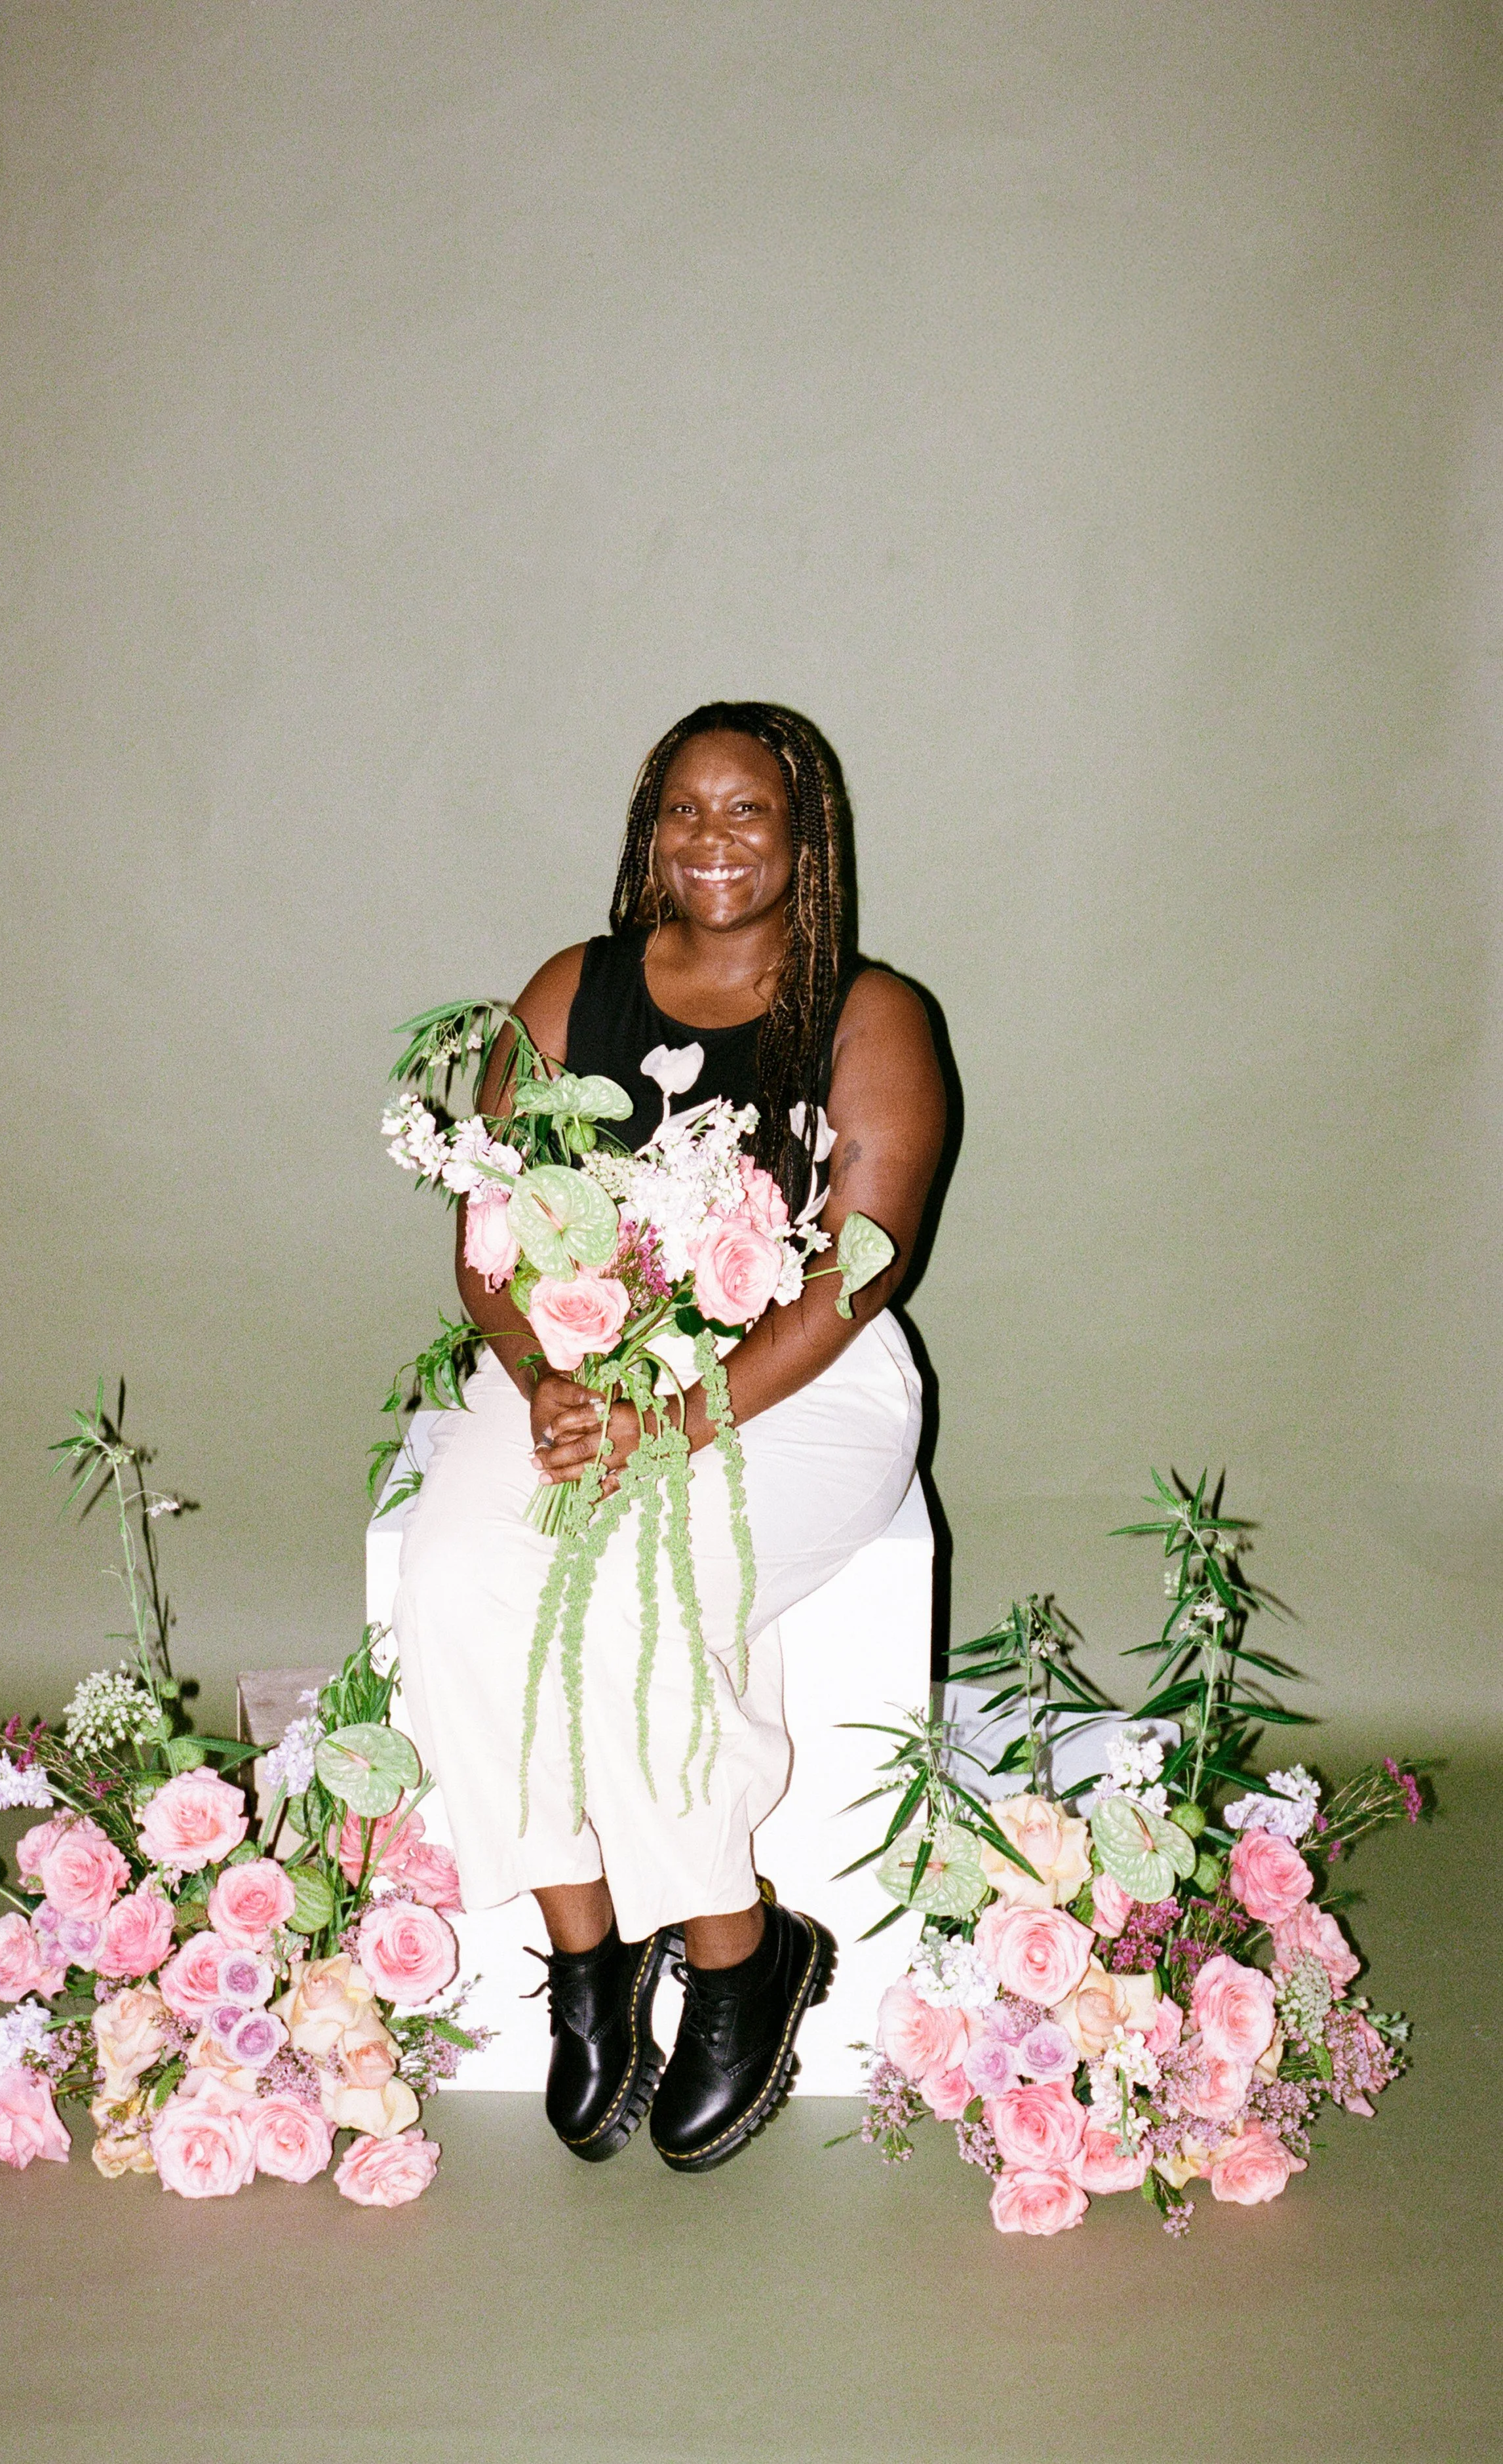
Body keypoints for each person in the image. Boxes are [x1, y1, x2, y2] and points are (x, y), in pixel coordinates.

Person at [393, 702, 948, 2172]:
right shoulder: (572, 989)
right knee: (454, 1576)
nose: (711, 840)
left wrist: (683, 1412)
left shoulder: (871, 1011)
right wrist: (539, 1382)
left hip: (800, 1383)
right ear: (649, 831)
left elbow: (856, 1270)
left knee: (644, 1584)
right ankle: (585, 1950)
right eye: (682, 812)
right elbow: (489, 1241)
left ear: (802, 836)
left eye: (747, 812)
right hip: (589, 1361)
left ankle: (733, 1946)